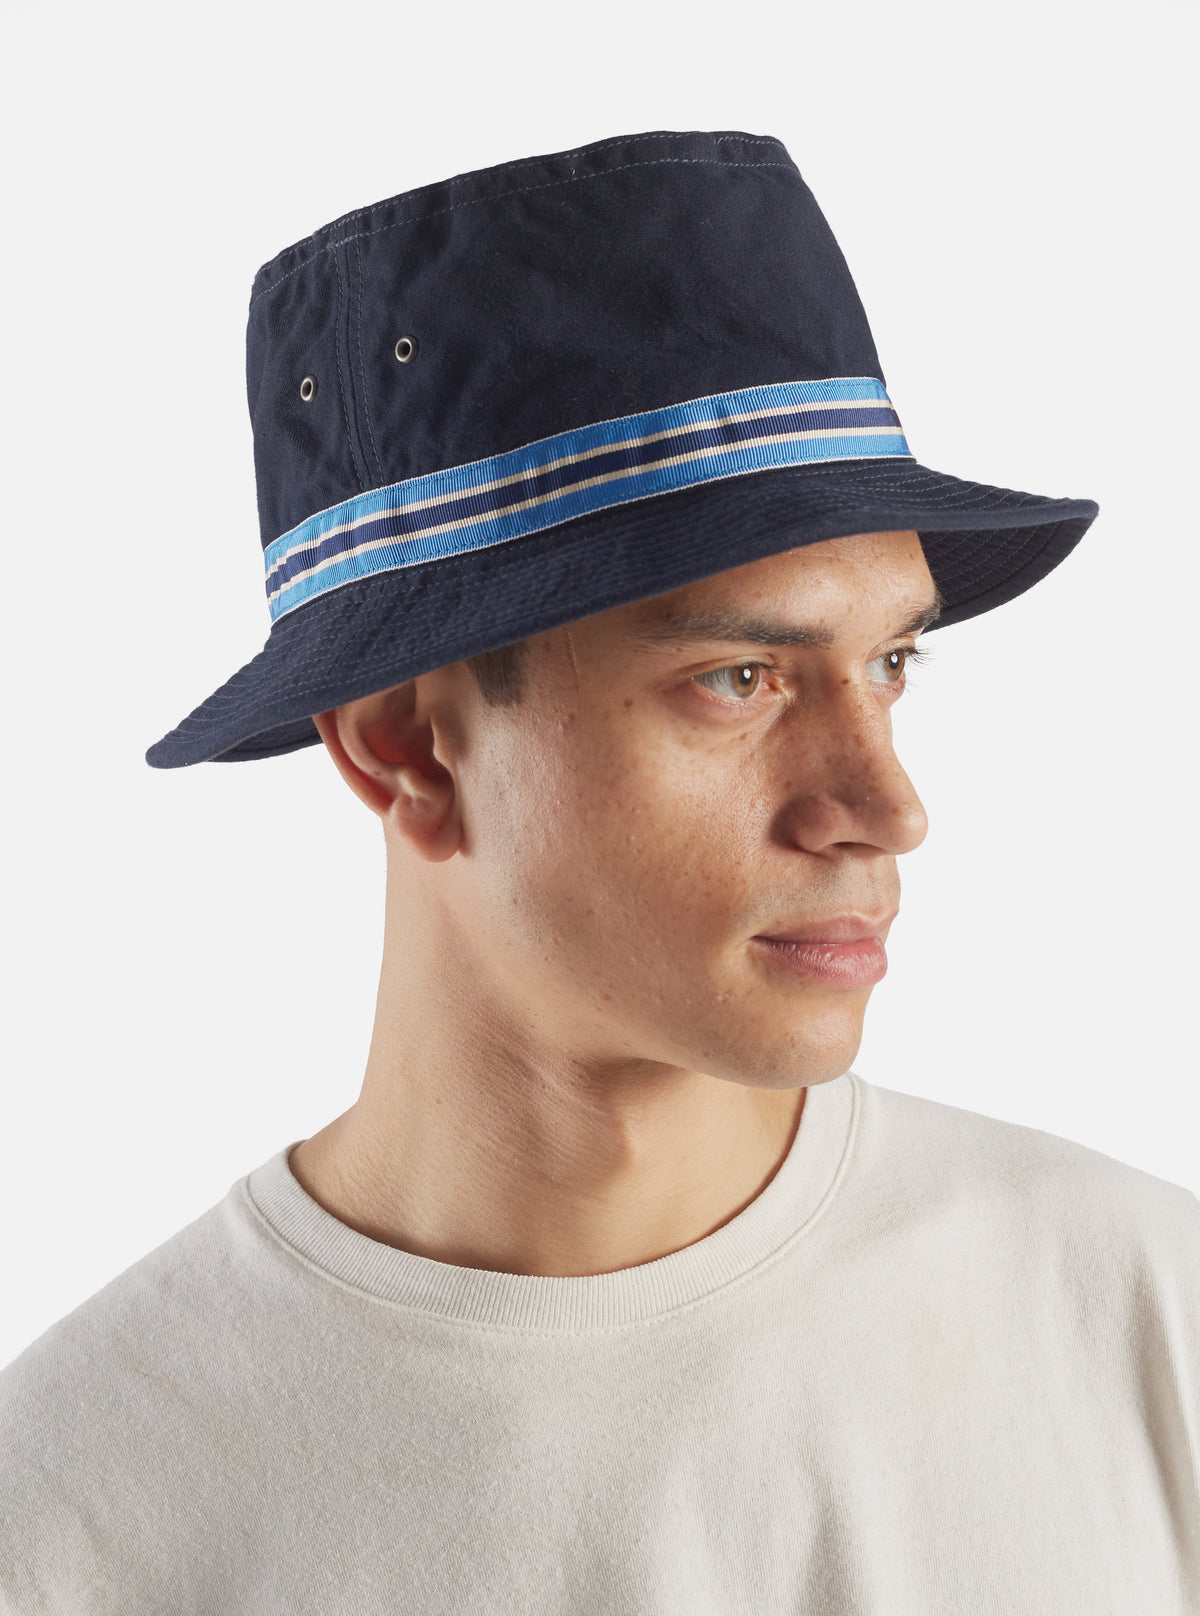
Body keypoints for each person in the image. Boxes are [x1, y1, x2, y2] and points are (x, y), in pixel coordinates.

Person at [2, 130, 1196, 1614]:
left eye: (890, 663)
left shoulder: (1149, 1319)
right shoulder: (73, 1518)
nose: (885, 807)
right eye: (741, 678)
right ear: (407, 753)